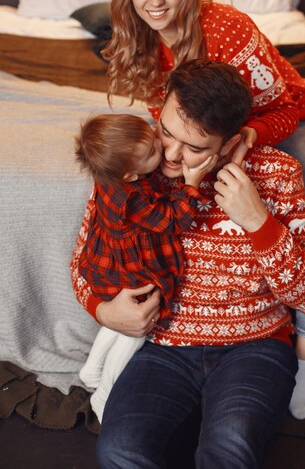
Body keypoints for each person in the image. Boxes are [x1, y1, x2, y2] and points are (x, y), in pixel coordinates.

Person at [101, 0, 305, 418]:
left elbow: (282, 107)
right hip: (211, 138)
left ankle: (304, 360)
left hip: (278, 119)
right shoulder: (140, 41)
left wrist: (246, 140)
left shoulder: (227, 29)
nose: (155, 1)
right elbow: (164, 125)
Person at [71, 59, 305, 468]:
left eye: (194, 147)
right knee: (119, 450)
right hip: (162, 348)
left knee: (229, 448)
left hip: (255, 345)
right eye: (166, 133)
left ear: (228, 142)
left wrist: (258, 223)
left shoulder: (277, 173)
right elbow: (84, 260)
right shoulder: (132, 167)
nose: (170, 156)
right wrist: (104, 310)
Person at [74, 112, 215, 421]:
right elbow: (174, 221)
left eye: (154, 134)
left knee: (116, 324)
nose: (161, 148)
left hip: (106, 266)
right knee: (135, 331)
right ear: (129, 176)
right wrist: (191, 185)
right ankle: (105, 391)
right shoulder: (132, 200)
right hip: (132, 273)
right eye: (153, 151)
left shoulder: (109, 176)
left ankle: (91, 368)